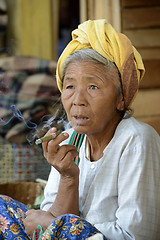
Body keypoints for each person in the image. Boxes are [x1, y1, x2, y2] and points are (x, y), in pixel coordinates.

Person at [0, 19, 160, 240]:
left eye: (93, 87)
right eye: (70, 86)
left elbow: (136, 236)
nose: (77, 100)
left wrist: (57, 226)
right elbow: (52, 220)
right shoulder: (72, 138)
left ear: (121, 98)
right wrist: (68, 177)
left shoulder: (137, 140)